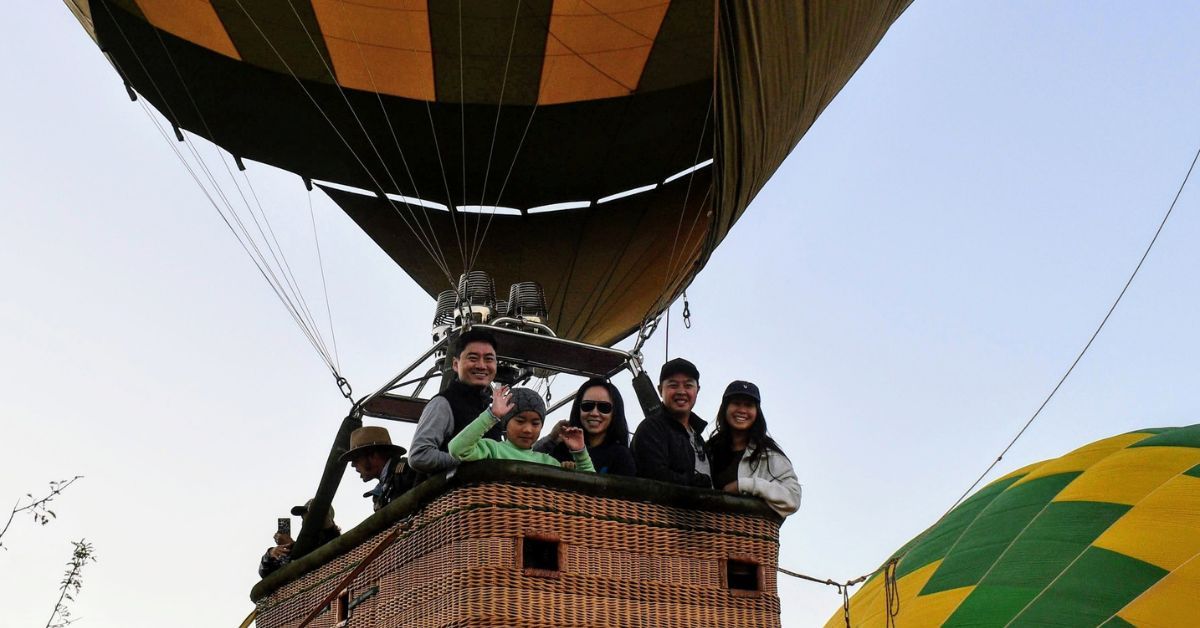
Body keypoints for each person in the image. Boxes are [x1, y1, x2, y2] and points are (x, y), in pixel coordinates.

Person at [409, 329, 503, 477]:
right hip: (451, 498)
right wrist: (469, 461)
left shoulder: (491, 408)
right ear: (455, 364)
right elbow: (419, 456)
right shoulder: (443, 403)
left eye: (489, 359)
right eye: (473, 358)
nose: (481, 365)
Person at [706, 380, 801, 517]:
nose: (742, 410)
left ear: (757, 412)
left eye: (749, 405)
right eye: (736, 403)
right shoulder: (707, 450)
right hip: (703, 534)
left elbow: (793, 498)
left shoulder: (769, 455)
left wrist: (744, 486)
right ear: (725, 408)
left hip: (749, 535)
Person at [449, 385, 595, 472]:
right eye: (520, 421)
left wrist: (580, 453)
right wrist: (491, 415)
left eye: (535, 423)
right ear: (506, 423)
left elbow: (594, 490)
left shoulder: (549, 462)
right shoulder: (492, 449)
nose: (527, 429)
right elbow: (457, 449)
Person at [631, 358, 712, 487]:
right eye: (673, 385)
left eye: (688, 385)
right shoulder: (651, 429)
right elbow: (653, 476)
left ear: (698, 390)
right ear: (660, 390)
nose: (681, 392)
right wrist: (697, 483)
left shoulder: (698, 435)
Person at [535, 377, 636, 476]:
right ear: (578, 409)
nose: (594, 413)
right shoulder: (562, 450)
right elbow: (525, 457)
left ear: (615, 413)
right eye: (587, 406)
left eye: (604, 407)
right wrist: (551, 439)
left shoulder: (621, 456)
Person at [258, 499, 341, 578]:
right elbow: (264, 572)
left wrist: (293, 547)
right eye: (303, 517)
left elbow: (328, 546)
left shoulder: (333, 540)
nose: (305, 520)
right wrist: (271, 553)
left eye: (311, 515)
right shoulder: (297, 547)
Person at [340, 425, 413, 511]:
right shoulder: (380, 492)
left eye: (356, 459)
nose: (352, 465)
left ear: (374, 455)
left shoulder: (408, 471)